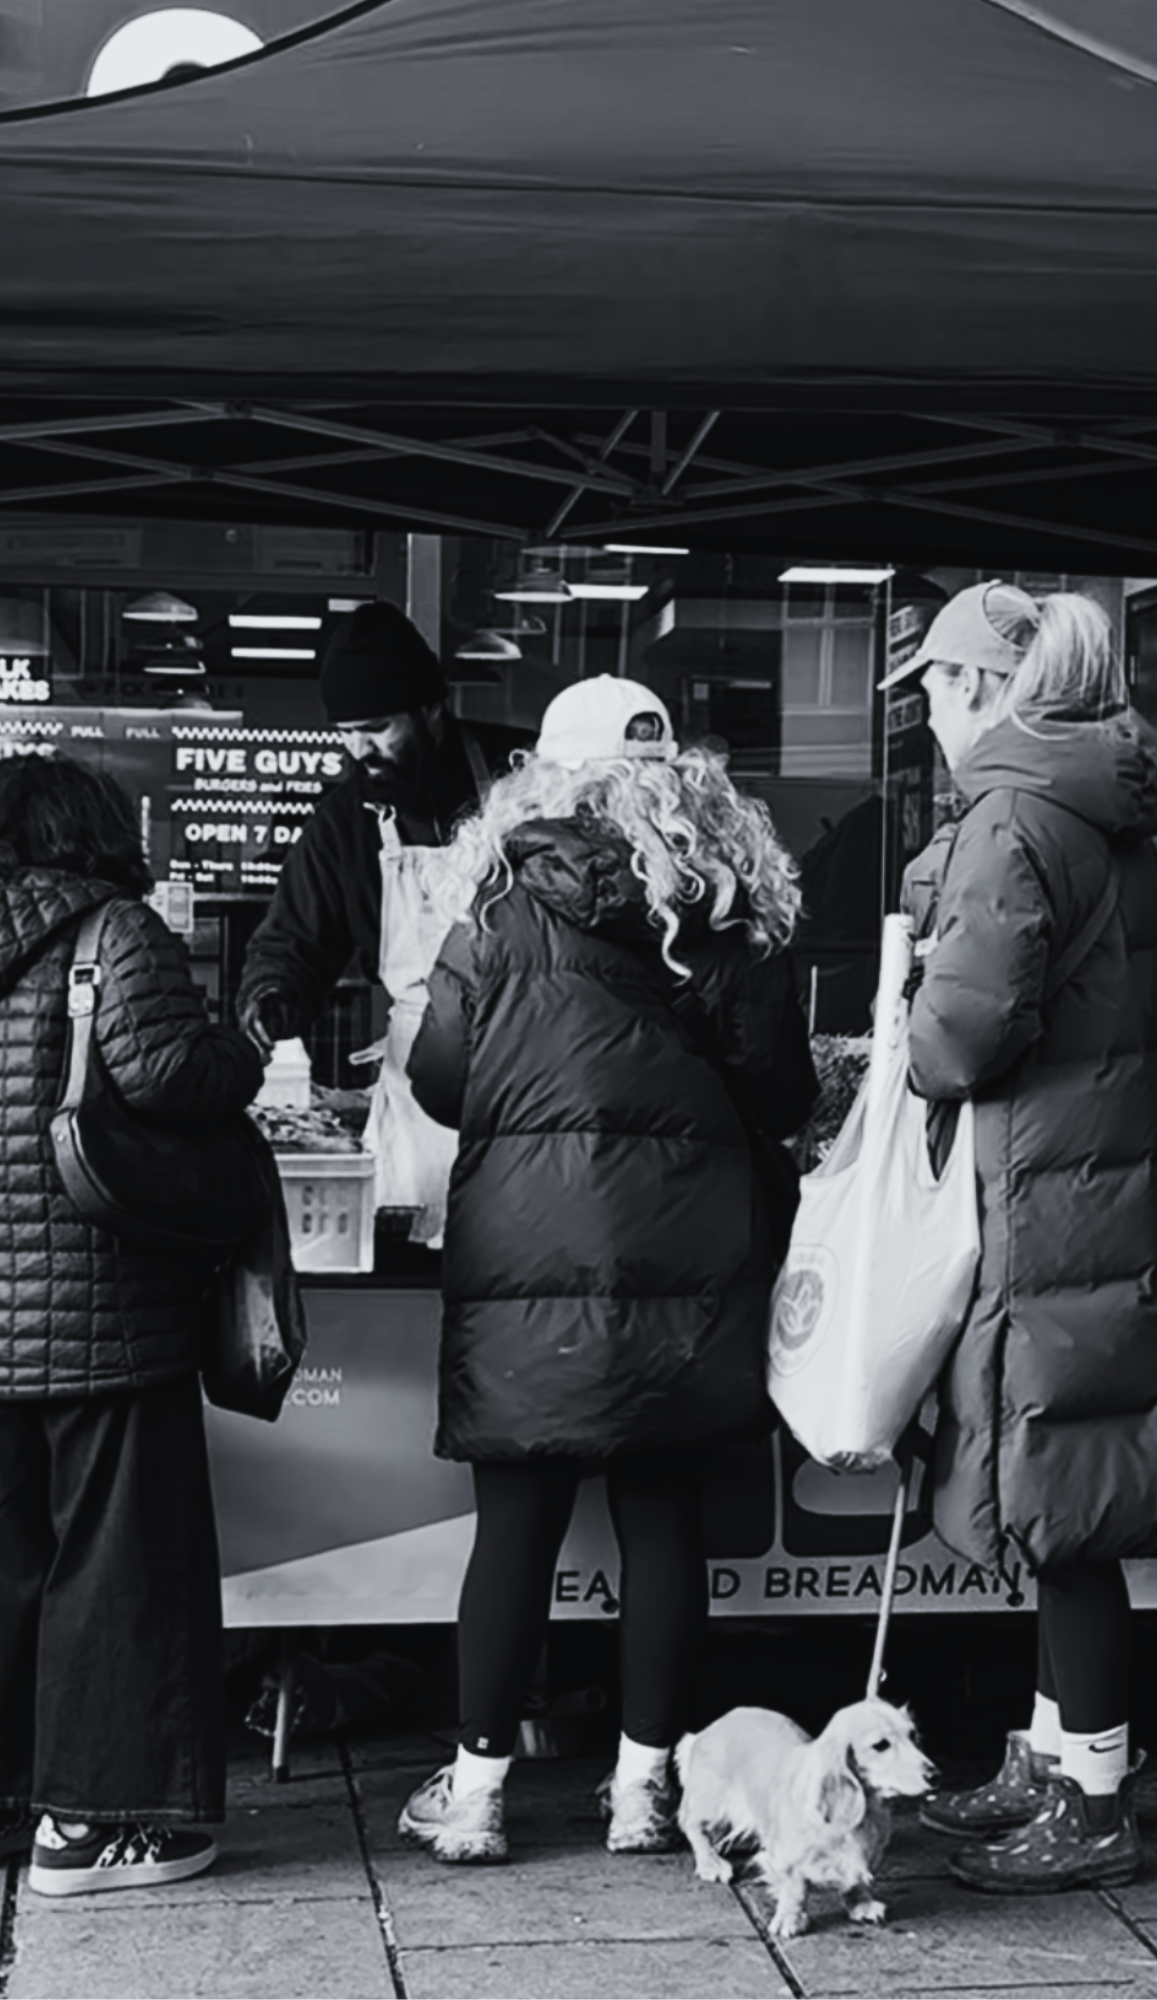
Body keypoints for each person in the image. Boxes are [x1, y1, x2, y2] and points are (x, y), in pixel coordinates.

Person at [396, 676, 818, 1865]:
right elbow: (779, 1094)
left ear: (548, 771)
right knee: (663, 1519)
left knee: (515, 1529)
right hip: (684, 1264)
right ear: (679, 773)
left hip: (522, 1253)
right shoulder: (726, 910)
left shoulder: (495, 905)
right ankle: (643, 1788)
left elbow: (440, 1081)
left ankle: (476, 1795)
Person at [896, 582, 1157, 1893]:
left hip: (1047, 1194)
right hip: (1100, 1187)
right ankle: (1052, 1756)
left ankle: (1090, 1801)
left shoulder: (1011, 818)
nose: (921, 709)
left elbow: (963, 1035)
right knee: (1058, 1494)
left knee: (1062, 1503)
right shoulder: (1101, 806)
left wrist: (905, 1037)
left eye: (929, 684)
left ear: (980, 689)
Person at [0, 752, 264, 1895]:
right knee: (118, 1570)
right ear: (95, 831)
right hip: (101, 1313)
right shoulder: (113, 930)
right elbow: (172, 1077)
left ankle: (16, 1798)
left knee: (11, 1566)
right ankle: (102, 1824)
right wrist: (244, 1050)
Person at [236, 601, 520, 1242]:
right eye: (345, 731)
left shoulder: (519, 782)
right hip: (418, 1097)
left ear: (431, 709)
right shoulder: (346, 819)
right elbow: (295, 938)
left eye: (377, 727)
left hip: (527, 1069)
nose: (358, 748)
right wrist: (270, 996)